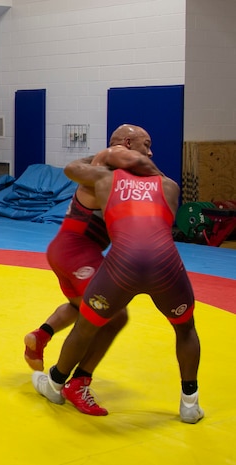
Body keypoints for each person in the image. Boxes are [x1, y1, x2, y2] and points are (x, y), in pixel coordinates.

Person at [32, 145, 204, 424]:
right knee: (185, 329)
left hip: (122, 264)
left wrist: (107, 155)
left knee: (87, 325)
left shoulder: (103, 180)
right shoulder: (169, 185)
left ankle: (54, 384)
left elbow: (71, 169)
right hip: (166, 264)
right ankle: (189, 404)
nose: (149, 151)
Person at [23, 124, 157, 415]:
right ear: (127, 143)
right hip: (78, 253)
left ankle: (42, 335)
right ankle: (76, 381)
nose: (150, 152)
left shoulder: (105, 169)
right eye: (146, 145)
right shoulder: (107, 173)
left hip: (69, 250)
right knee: (113, 316)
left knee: (84, 307)